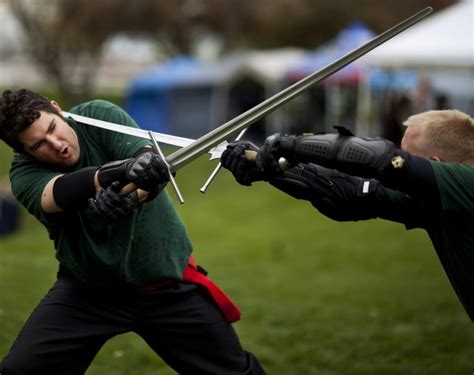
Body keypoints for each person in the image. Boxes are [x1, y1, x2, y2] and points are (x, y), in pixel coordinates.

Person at [0, 89, 265, 374]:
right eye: (39, 144)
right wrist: (113, 174)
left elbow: (148, 162)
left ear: (58, 108)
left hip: (164, 279)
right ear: (21, 151)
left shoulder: (99, 116)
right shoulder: (23, 174)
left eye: (53, 128)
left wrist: (132, 194)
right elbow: (57, 194)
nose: (56, 144)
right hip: (88, 292)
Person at [221, 109, 474, 322]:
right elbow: (346, 195)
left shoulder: (468, 184)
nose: (403, 155)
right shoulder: (433, 200)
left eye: (410, 154)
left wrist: (289, 145)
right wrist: (269, 169)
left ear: (436, 163)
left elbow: (379, 159)